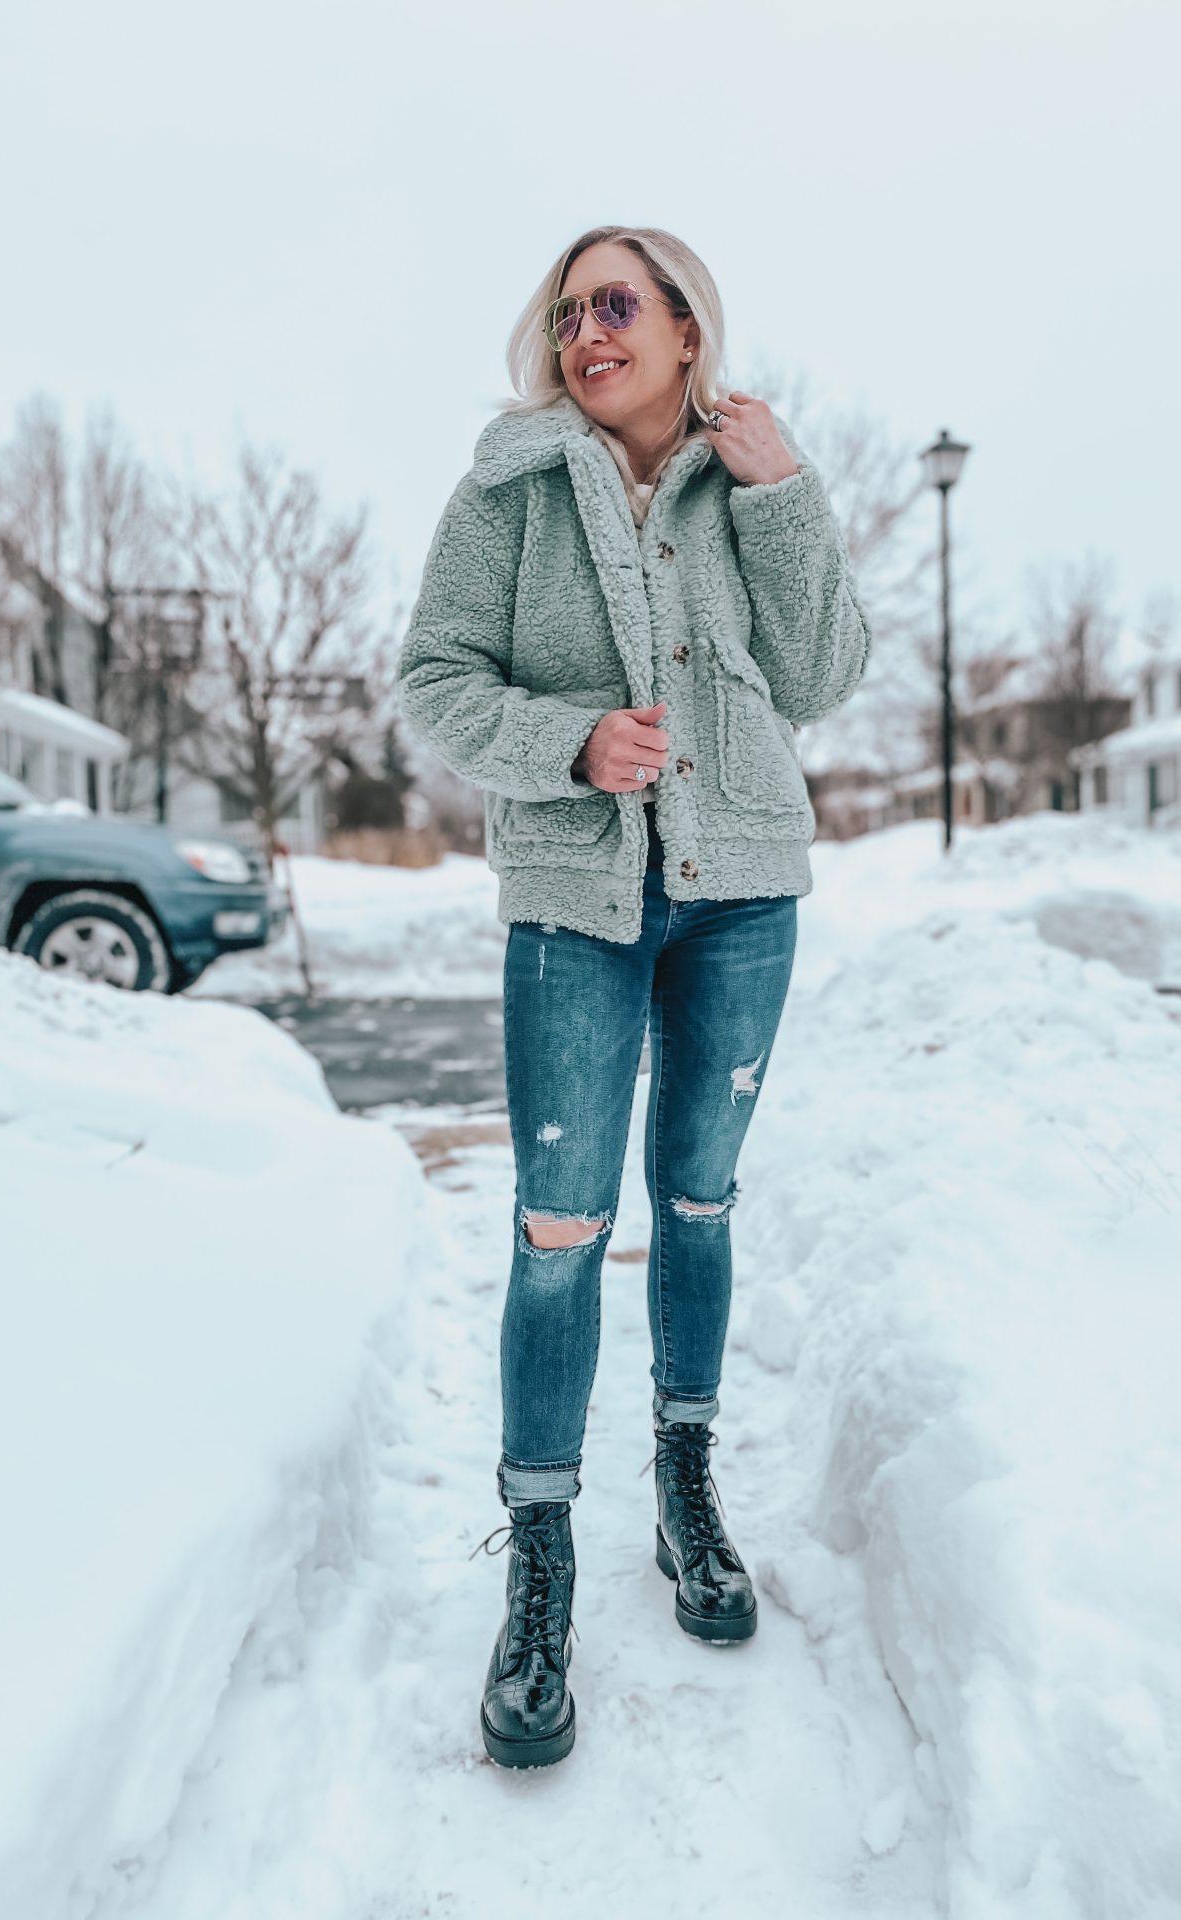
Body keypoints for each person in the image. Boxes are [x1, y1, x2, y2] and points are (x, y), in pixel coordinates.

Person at [396, 224, 873, 1769]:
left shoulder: (751, 480)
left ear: (684, 327)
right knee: (558, 1224)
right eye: (567, 308)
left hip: (742, 890)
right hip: (575, 903)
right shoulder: (509, 488)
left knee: (703, 1201)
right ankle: (538, 1558)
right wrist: (573, 742)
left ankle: (685, 1489)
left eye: (618, 302)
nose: (588, 328)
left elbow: (821, 674)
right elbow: (436, 678)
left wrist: (787, 493)